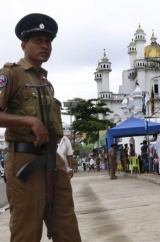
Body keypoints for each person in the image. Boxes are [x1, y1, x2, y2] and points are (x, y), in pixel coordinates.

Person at [0, 13, 81, 241]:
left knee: (67, 229)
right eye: (38, 41)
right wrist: (29, 121)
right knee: (27, 232)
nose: (45, 46)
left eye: (48, 41)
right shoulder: (10, 74)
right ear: (24, 45)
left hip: (51, 161)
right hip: (24, 163)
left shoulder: (46, 83)